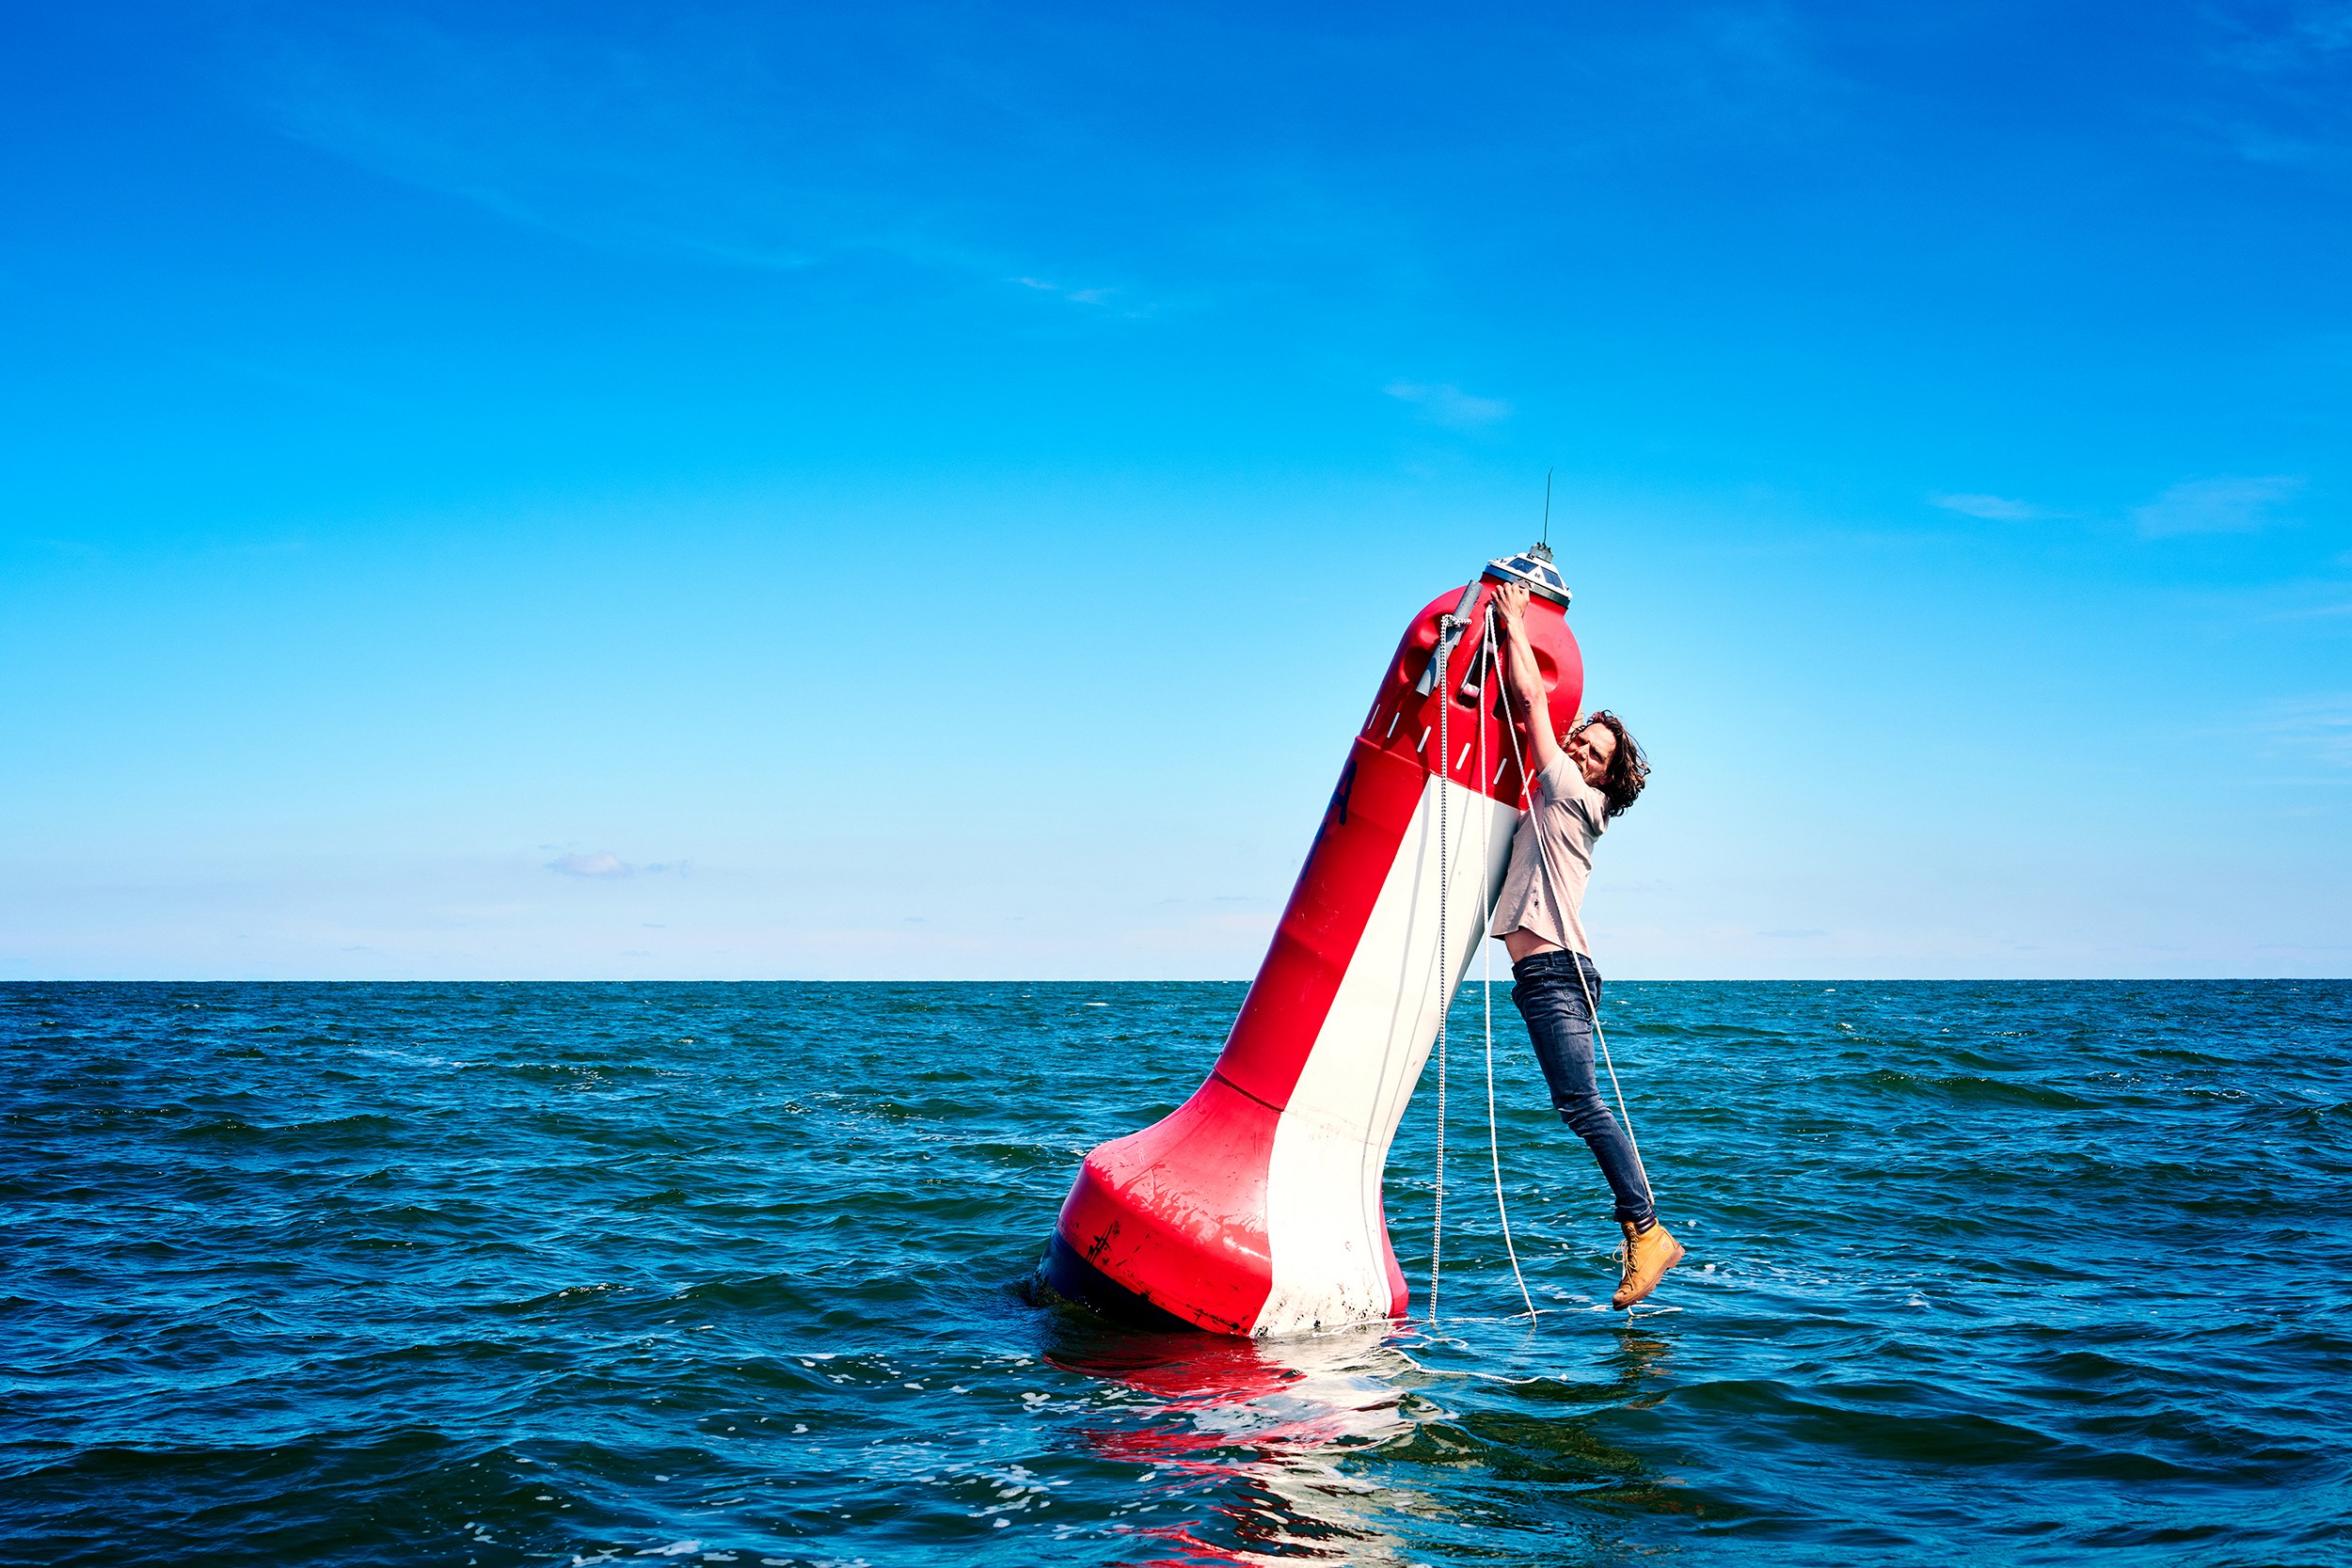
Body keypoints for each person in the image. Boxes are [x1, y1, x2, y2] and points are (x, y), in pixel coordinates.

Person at [1486, 580, 1681, 1309]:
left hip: (1557, 975)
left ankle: (1647, 1229)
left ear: (1603, 774)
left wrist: (1513, 621)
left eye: (1592, 751)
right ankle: (1643, 1225)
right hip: (1550, 974)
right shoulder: (1566, 786)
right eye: (1580, 739)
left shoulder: (1573, 791)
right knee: (1577, 1104)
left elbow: (1534, 705)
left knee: (1583, 1105)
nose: (1576, 748)